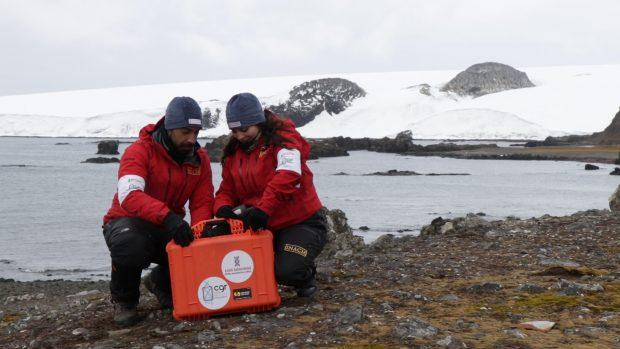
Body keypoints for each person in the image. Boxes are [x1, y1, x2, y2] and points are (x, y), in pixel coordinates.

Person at [102, 96, 214, 326]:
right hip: (127, 222)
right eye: (185, 132)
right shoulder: (140, 151)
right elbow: (129, 195)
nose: (192, 139)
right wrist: (168, 217)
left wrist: (199, 235)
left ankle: (160, 282)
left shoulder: (199, 159)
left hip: (168, 227)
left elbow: (202, 203)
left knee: (197, 249)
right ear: (169, 127)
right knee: (130, 244)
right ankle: (125, 301)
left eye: (196, 132)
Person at [214, 92, 327, 298]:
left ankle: (305, 274)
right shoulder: (234, 152)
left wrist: (263, 209)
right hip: (261, 225)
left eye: (244, 129)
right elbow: (227, 188)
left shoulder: (283, 139)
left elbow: (289, 174)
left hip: (299, 222)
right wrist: (222, 207)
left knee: (286, 272)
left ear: (258, 121)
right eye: (234, 130)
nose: (239, 135)